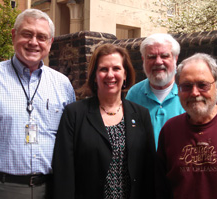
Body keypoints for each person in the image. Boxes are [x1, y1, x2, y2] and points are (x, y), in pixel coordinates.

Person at [0, 9, 76, 199]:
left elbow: (71, 144)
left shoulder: (63, 85)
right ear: (13, 35)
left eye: (42, 37)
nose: (33, 42)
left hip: (50, 190)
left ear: (50, 42)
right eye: (27, 34)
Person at [53, 43, 156, 199]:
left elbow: (149, 170)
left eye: (116, 68)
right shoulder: (74, 114)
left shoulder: (141, 115)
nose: (110, 75)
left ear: (125, 74)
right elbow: (64, 171)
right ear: (94, 75)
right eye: (103, 69)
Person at [156, 53, 217, 199]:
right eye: (186, 86)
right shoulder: (170, 130)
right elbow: (161, 188)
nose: (195, 93)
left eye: (203, 85)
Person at [126, 33, 185, 149]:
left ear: (175, 58)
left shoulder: (189, 92)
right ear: (143, 60)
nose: (158, 62)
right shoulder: (133, 94)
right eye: (152, 57)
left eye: (164, 56)